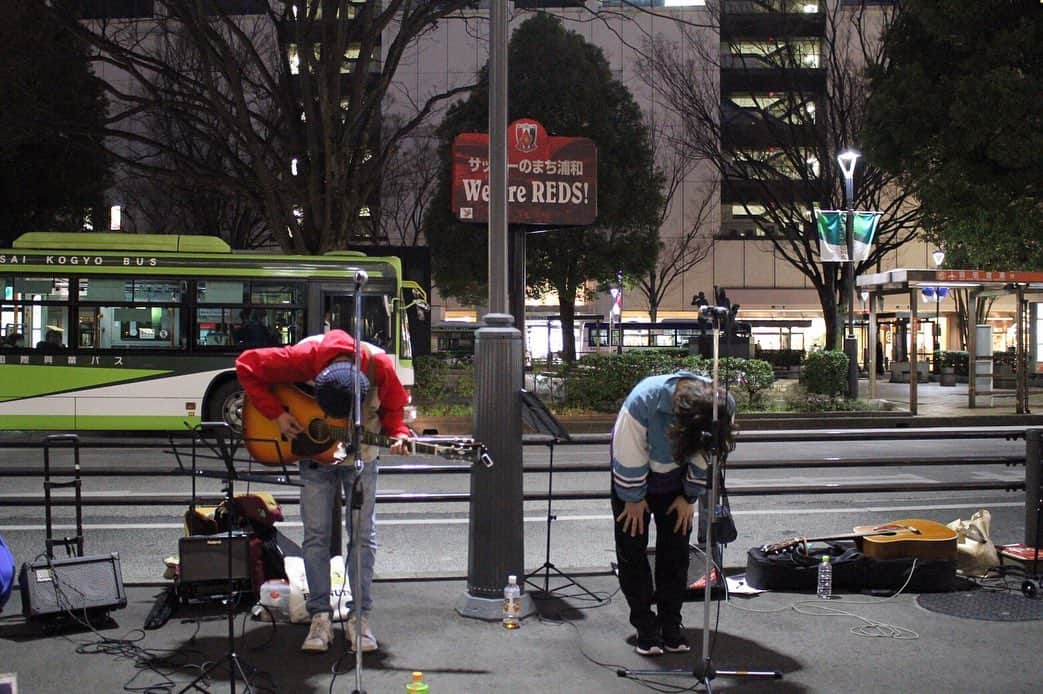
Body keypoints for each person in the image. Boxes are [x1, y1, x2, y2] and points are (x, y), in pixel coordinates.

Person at [235, 329, 411, 654]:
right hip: (314, 453)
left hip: (362, 452)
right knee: (316, 535)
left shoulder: (379, 365)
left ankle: (360, 618)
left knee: (362, 535)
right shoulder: (301, 358)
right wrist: (278, 413)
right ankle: (320, 616)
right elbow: (246, 365)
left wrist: (399, 433)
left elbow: (394, 409)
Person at [611, 371, 736, 656]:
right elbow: (628, 450)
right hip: (634, 475)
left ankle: (671, 623)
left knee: (676, 551)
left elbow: (706, 453)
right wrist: (633, 498)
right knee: (632, 549)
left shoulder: (721, 406)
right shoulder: (644, 400)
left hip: (678, 481)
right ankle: (645, 625)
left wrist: (689, 495)